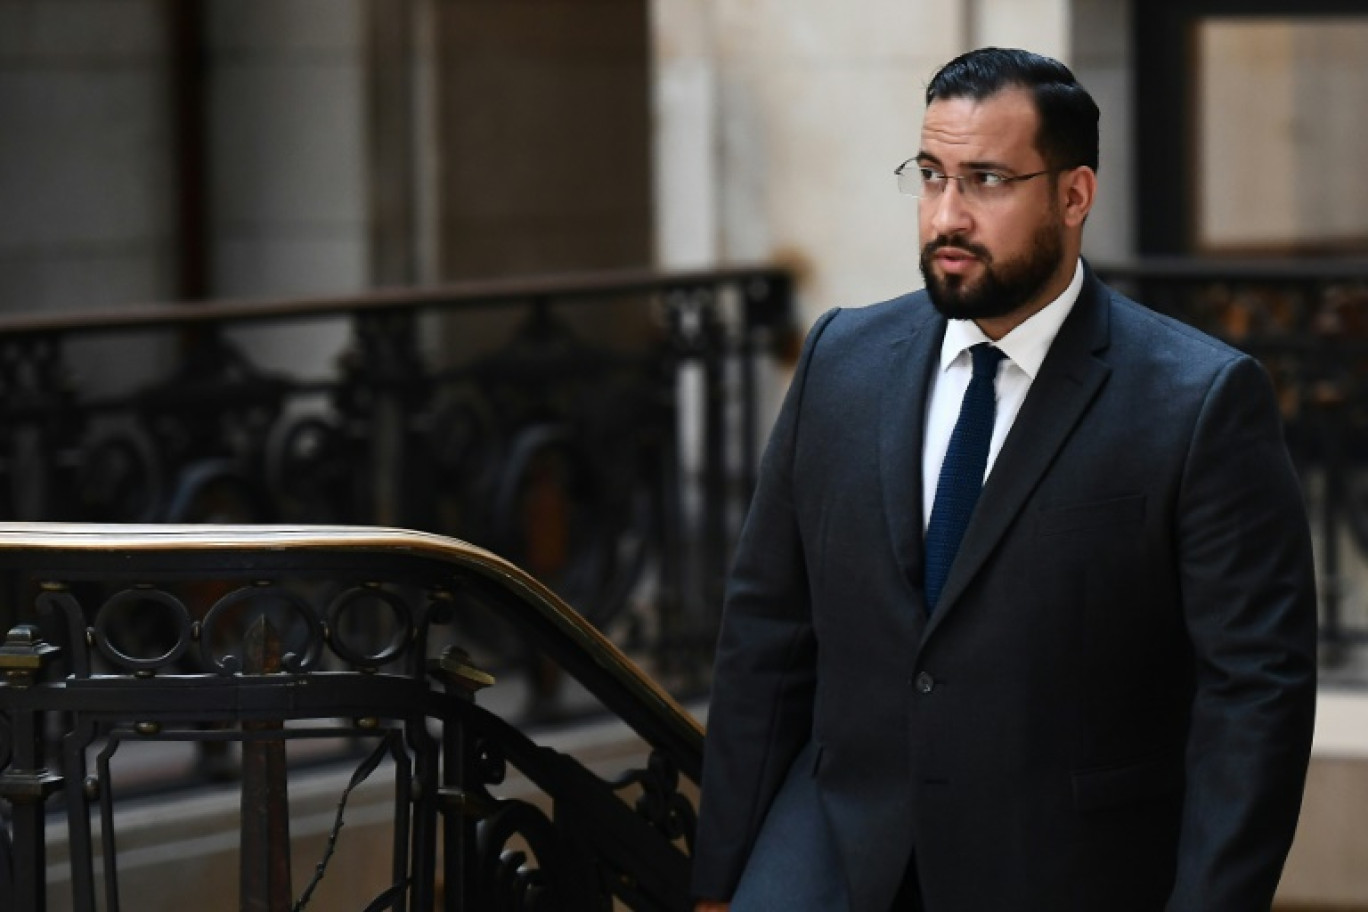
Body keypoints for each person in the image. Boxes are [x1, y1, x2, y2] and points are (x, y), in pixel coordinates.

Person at [690, 47, 1318, 912]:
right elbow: (766, 633)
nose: (947, 214)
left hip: (1066, 872)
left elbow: (1255, 697)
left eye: (986, 180)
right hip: (828, 860)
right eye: (932, 174)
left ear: (1074, 195)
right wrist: (720, 880)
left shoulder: (1200, 401)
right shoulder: (840, 361)